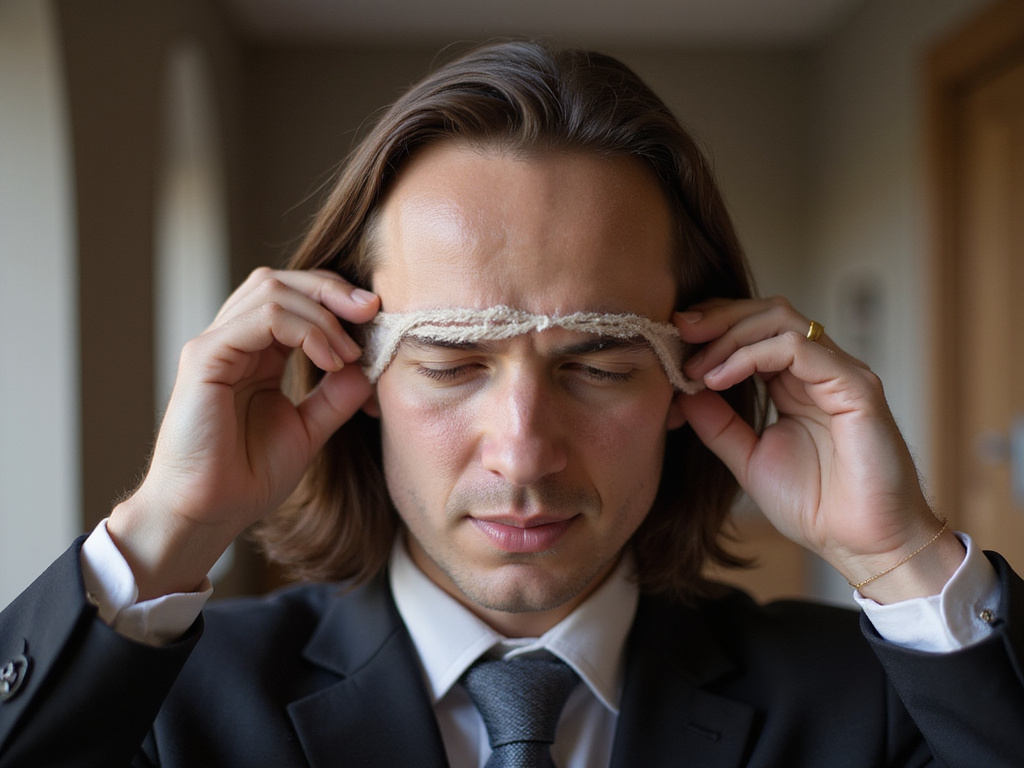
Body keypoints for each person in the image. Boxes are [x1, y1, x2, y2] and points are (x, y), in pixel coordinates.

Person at [0, 40, 1021, 768]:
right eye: (451, 364)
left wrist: (901, 561)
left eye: (600, 364)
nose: (523, 455)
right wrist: (169, 529)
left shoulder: (868, 706)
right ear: (346, 371)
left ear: (692, 372)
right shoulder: (168, 710)